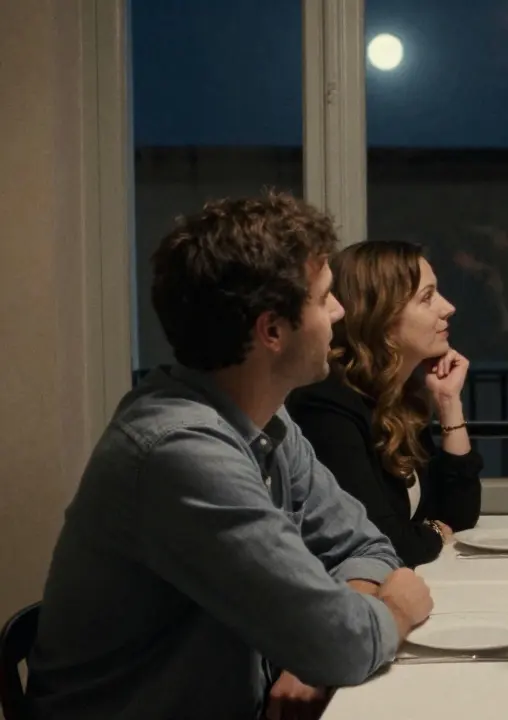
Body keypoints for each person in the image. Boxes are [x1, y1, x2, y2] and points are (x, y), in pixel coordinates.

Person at [26, 194, 436, 720]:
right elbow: (344, 642)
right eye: (324, 297)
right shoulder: (180, 453)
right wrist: (391, 607)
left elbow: (366, 545)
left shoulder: (265, 418)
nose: (339, 311)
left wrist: (331, 632)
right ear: (271, 330)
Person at [287, 240, 482, 567]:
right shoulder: (326, 403)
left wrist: (449, 402)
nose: (448, 307)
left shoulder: (396, 396)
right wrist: (433, 530)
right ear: (381, 316)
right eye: (427, 297)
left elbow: (460, 515)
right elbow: (385, 542)